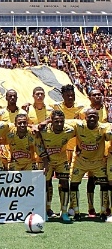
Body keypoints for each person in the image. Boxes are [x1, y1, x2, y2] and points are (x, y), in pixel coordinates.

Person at [69, 108, 112, 221]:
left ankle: (103, 211)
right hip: (81, 161)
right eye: (90, 116)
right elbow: (62, 122)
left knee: (104, 185)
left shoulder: (103, 128)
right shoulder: (78, 125)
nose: (92, 118)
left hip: (97, 162)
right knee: (73, 184)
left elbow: (109, 132)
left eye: (94, 116)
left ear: (98, 118)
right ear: (85, 117)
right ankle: (77, 212)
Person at [50, 84, 85, 218]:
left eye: (72, 95)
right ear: (62, 96)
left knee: (73, 181)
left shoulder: (81, 109)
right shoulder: (56, 107)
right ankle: (61, 207)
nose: (70, 97)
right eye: (68, 95)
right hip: (61, 149)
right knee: (61, 180)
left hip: (76, 148)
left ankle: (73, 207)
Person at [39, 110, 75, 222]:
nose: (59, 124)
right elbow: (34, 131)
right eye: (56, 121)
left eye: (61, 121)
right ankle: (45, 210)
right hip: (47, 161)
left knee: (64, 183)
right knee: (45, 184)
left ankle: (64, 212)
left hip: (61, 160)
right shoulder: (43, 130)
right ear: (51, 121)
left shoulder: (70, 130)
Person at [78, 89, 110, 217]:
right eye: (94, 95)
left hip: (104, 148)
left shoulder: (106, 108)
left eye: (99, 94)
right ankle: (91, 208)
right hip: (89, 150)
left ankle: (106, 207)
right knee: (91, 179)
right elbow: (79, 129)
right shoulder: (83, 111)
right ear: (89, 97)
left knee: (106, 179)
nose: (97, 96)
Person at [0, 89, 26, 170]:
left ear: (17, 98)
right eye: (10, 96)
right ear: (6, 98)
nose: (12, 98)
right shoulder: (0, 113)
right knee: (5, 171)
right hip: (4, 146)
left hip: (19, 145)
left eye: (14, 96)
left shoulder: (23, 113)